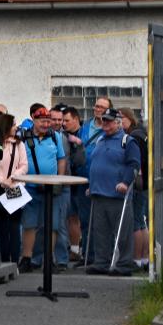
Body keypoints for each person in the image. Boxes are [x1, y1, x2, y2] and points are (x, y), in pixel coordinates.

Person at [85, 109, 141, 276]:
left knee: (122, 232)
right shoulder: (100, 140)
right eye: (104, 121)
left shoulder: (127, 141)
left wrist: (125, 182)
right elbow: (96, 163)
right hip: (98, 193)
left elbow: (134, 165)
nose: (106, 124)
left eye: (109, 121)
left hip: (118, 195)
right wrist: (92, 185)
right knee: (100, 231)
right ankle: (102, 262)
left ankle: (124, 264)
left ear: (118, 122)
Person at [19, 106, 68, 273]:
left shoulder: (56, 137)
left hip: (51, 188)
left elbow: (61, 159)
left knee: (52, 225)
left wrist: (59, 180)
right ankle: (26, 258)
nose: (46, 124)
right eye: (42, 121)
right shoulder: (23, 136)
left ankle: (48, 259)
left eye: (48, 121)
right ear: (34, 120)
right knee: (29, 224)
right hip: (29, 187)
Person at [0, 113, 27, 264]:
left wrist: (12, 178)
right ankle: (3, 259)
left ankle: (14, 260)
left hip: (14, 186)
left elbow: (24, 165)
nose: (16, 127)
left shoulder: (19, 144)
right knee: (1, 227)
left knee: (14, 226)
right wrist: (2, 181)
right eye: (13, 124)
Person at [61, 106, 90, 263]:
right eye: (62, 121)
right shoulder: (62, 136)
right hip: (68, 182)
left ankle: (86, 251)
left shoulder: (85, 134)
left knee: (84, 217)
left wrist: (78, 144)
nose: (64, 124)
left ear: (76, 119)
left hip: (82, 180)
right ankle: (74, 249)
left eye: (67, 120)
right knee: (71, 216)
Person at [122, 109, 149, 269]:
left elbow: (136, 162)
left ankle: (137, 258)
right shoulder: (142, 133)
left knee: (137, 222)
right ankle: (144, 258)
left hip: (138, 184)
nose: (119, 122)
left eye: (122, 118)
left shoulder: (134, 137)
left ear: (130, 119)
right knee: (142, 222)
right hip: (144, 183)